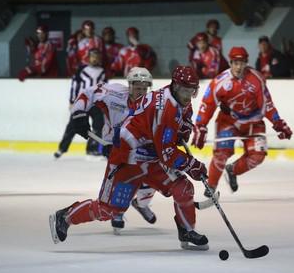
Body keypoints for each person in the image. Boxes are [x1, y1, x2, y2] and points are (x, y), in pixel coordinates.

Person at [49, 66, 209, 250]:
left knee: (183, 188)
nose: (188, 96)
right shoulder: (161, 107)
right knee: (108, 210)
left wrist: (183, 131)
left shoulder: (176, 97)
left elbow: (181, 123)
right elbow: (167, 153)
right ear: (174, 86)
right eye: (184, 90)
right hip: (128, 159)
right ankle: (65, 217)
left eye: (191, 91)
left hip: (151, 159)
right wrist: (193, 165)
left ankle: (187, 230)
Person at [66, 67, 158, 233]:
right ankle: (118, 213)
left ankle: (140, 203)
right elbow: (88, 93)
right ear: (129, 86)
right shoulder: (113, 93)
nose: (141, 92)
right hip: (113, 145)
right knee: (122, 180)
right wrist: (78, 112)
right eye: (137, 87)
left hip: (140, 147)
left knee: (152, 176)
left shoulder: (152, 103)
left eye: (144, 88)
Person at [192, 46, 292, 195]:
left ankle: (232, 170)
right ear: (230, 63)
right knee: (221, 154)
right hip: (228, 120)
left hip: (254, 121)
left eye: (242, 63)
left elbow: (267, 104)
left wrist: (278, 123)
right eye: (235, 63)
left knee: (257, 156)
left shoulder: (257, 79)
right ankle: (211, 186)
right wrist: (200, 125)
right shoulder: (219, 82)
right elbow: (208, 104)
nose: (239, 67)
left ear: (246, 63)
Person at [55, 48, 107, 158]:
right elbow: (75, 85)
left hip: (95, 104)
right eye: (93, 56)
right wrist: (72, 101)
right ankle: (62, 149)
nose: (95, 59)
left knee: (99, 126)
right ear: (88, 58)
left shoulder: (102, 71)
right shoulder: (82, 70)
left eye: (97, 57)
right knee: (73, 126)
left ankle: (91, 149)